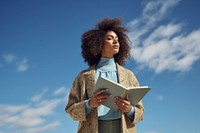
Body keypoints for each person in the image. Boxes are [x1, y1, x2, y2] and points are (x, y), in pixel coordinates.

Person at [65, 18, 144, 133]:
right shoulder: (84, 76)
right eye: (109, 38)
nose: (115, 42)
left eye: (117, 39)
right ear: (98, 43)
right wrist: (89, 104)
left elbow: (140, 113)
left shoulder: (129, 75)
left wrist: (129, 109)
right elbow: (71, 110)